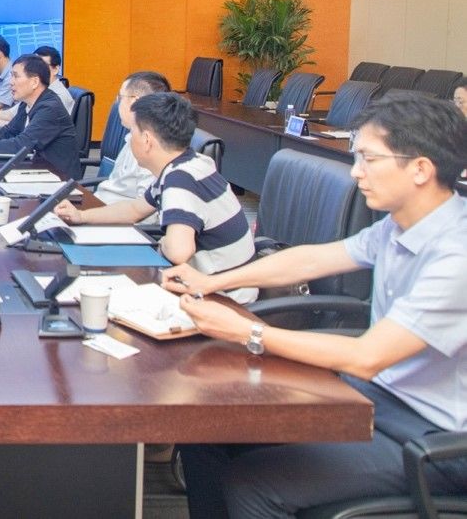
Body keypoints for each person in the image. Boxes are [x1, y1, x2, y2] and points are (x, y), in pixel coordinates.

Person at [164, 92, 467, 518]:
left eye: (369, 159)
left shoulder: (456, 255)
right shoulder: (401, 224)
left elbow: (367, 357)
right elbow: (313, 259)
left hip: (431, 439)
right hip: (375, 399)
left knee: (253, 486)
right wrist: (213, 281)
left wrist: (248, 332)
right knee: (206, 429)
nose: (356, 172)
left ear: (420, 169)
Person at [55, 91, 256, 301]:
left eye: (132, 131)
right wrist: (81, 216)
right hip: (210, 284)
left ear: (147, 140)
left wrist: (165, 241)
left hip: (224, 299)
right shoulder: (189, 162)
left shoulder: (180, 179)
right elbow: (134, 210)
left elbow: (179, 251)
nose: (129, 138)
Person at [0, 53, 81, 178]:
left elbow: (22, 144)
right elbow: (10, 131)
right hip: (36, 168)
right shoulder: (27, 103)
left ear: (34, 82)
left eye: (15, 76)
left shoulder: (50, 108)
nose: (11, 82)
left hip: (58, 178)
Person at [93, 71, 171, 209]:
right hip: (101, 205)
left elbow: (145, 211)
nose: (117, 103)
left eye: (120, 97)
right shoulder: (133, 135)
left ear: (134, 102)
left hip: (113, 216)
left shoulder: (151, 147)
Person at [33, 44, 75, 114]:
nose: (36, 69)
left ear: (55, 69)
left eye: (42, 65)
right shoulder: (37, 90)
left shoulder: (58, 97)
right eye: (33, 65)